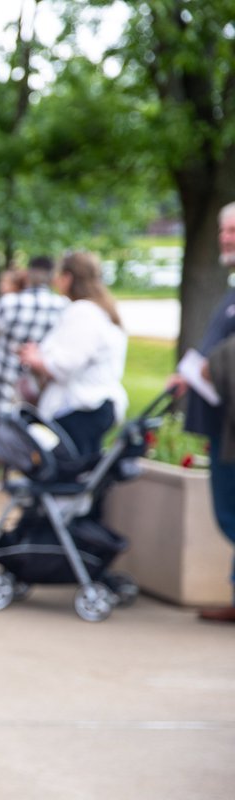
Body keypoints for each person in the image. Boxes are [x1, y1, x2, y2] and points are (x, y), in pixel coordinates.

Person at [0, 255, 66, 538]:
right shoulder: (62, 308)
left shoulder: (8, 304)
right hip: (35, 400)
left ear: (29, 275)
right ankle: (27, 524)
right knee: (34, 459)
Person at [179, 202, 235, 622]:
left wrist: (208, 366)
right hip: (222, 422)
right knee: (227, 510)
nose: (225, 239)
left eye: (232, 232)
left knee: (230, 510)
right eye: (223, 231)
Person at [19, 252, 127, 458]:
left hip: (81, 406)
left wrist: (35, 359)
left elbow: (66, 364)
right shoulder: (99, 309)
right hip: (95, 404)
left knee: (67, 469)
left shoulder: (84, 312)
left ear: (68, 277)